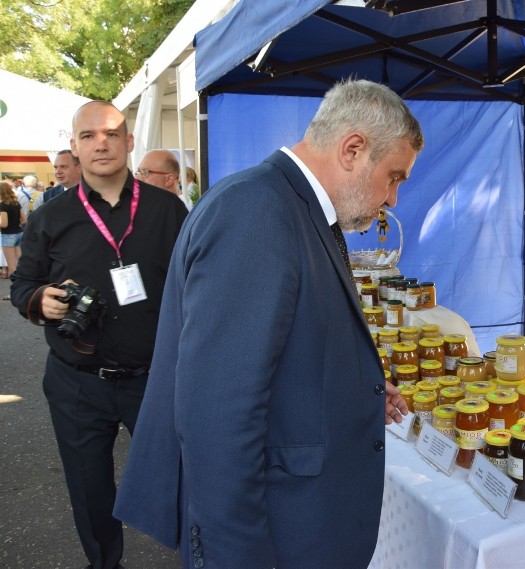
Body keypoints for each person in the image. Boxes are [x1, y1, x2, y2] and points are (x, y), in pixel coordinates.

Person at [114, 78, 422, 568]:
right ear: (353, 149)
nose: (394, 198)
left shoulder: (297, 209)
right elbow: (217, 416)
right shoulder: (256, 212)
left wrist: (355, 387)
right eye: (395, 176)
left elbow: (284, 347)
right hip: (274, 535)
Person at [9, 100, 188, 569]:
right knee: (89, 492)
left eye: (111, 133)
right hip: (76, 381)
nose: (100, 143)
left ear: (130, 142)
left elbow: (198, 284)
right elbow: (23, 283)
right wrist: (40, 299)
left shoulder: (169, 210)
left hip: (153, 379)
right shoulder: (50, 216)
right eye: (88, 136)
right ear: (75, 146)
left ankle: (201, 557)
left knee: (182, 479)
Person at [0, 180, 26, 288]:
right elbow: (24, 220)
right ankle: (24, 286)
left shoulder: (2, 205)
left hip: (7, 235)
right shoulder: (16, 203)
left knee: (11, 266)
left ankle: (15, 290)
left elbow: (4, 224)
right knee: (20, 264)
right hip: (19, 232)